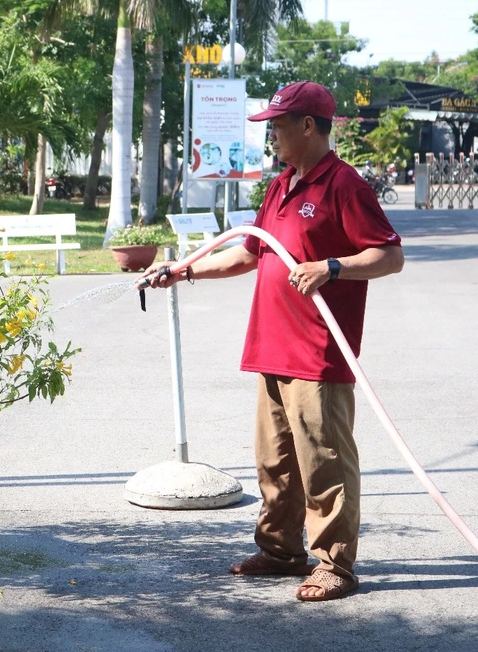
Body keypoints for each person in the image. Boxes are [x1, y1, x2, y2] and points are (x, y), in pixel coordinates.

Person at [139, 81, 405, 602]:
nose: (271, 135)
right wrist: (183, 271)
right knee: (275, 462)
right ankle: (282, 551)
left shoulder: (344, 186)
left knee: (324, 461)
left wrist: (333, 267)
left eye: (278, 125)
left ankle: (335, 565)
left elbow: (389, 256)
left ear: (309, 125)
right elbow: (250, 254)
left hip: (317, 353)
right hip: (272, 346)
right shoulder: (282, 184)